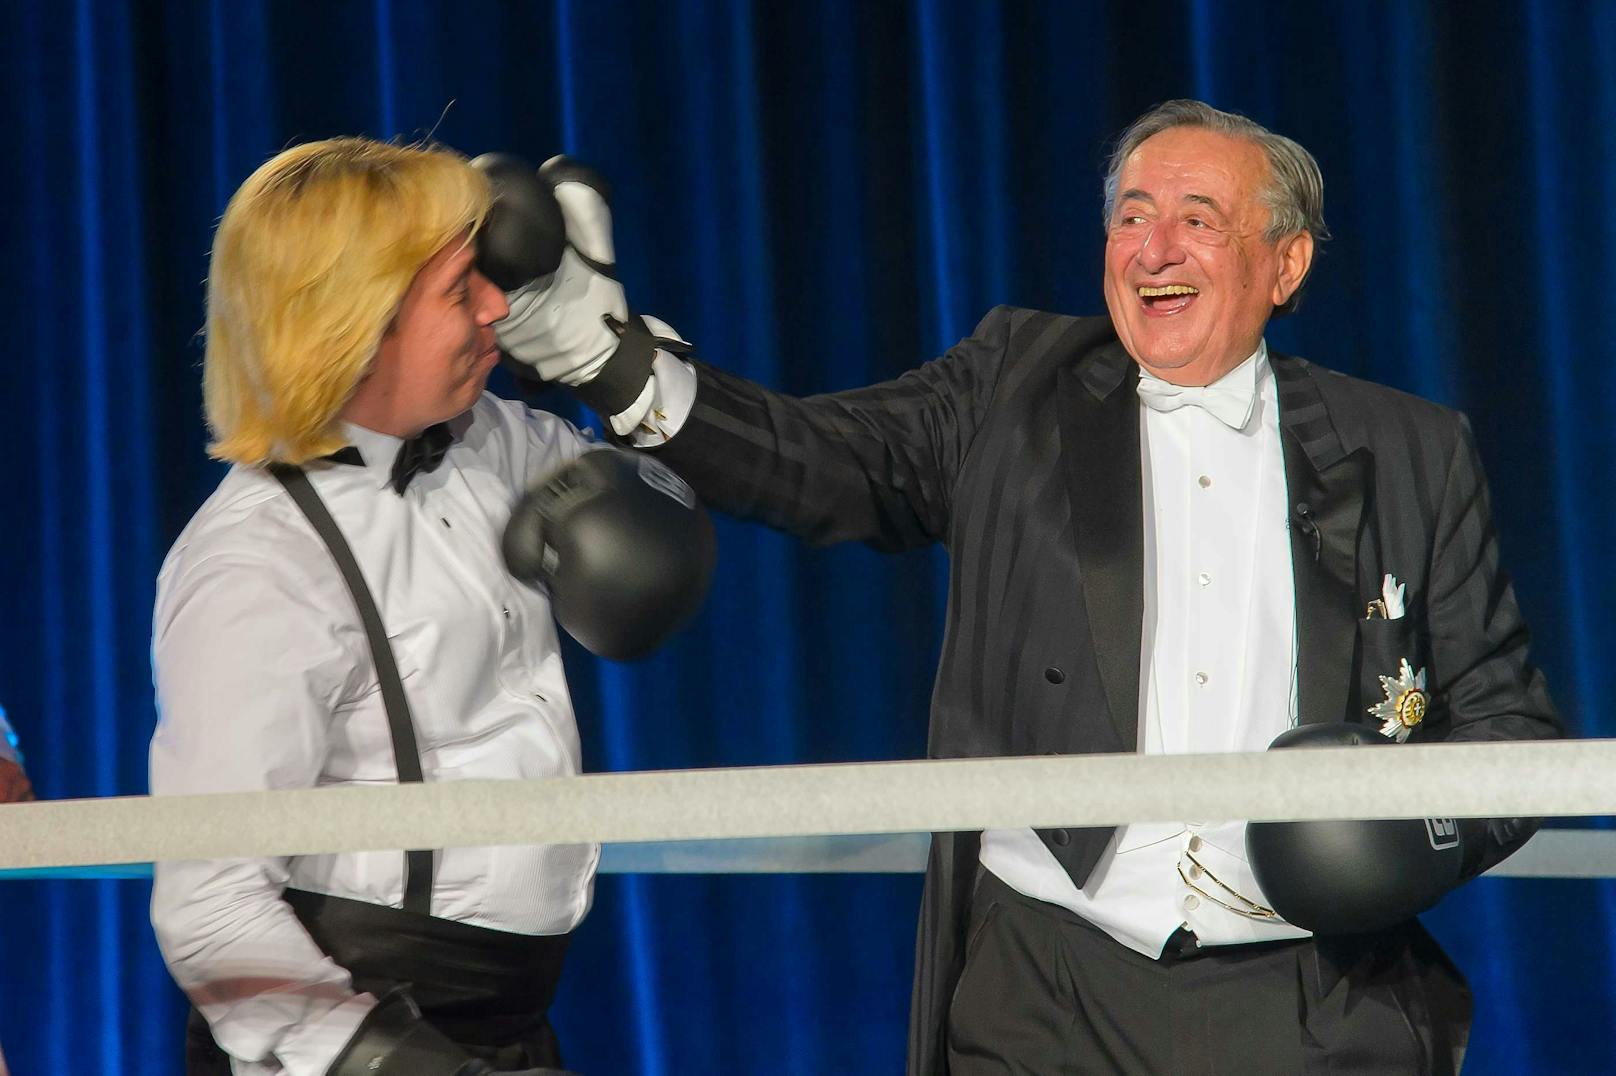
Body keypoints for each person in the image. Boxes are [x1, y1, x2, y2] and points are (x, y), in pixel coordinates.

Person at [488, 101, 1563, 1074]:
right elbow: (818, 457)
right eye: (1130, 215)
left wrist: (1400, 831)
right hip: (1044, 995)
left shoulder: (1410, 449)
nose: (1153, 247)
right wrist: (608, 359)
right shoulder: (1015, 386)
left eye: (1197, 216)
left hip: (1311, 1005)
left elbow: (1509, 728)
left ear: (1283, 264)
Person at [150, 137, 603, 1075]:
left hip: (515, 1022)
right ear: (352, 325)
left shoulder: (497, 442)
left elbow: (670, 507)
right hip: (349, 1038)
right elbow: (208, 907)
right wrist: (387, 1063)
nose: (495, 307)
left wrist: (608, 346)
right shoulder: (256, 563)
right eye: (458, 290)